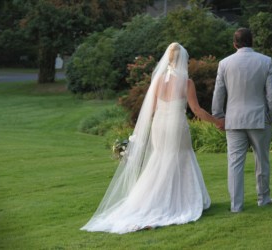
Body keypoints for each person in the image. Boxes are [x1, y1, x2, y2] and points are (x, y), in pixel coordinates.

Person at [81, 42, 223, 234]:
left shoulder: (158, 80)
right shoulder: (187, 83)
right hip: (175, 125)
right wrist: (216, 122)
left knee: (160, 158)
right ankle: (177, 202)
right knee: (179, 158)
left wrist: (137, 134)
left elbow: (150, 110)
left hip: (159, 124)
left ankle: (149, 200)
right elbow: (196, 110)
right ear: (182, 61)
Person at [212, 28, 272, 213]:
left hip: (233, 120)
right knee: (262, 160)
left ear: (235, 44)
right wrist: (271, 116)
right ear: (252, 41)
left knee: (234, 163)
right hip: (259, 119)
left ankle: (236, 206)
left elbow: (219, 93)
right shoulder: (265, 61)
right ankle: (264, 199)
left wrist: (218, 116)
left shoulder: (224, 63)